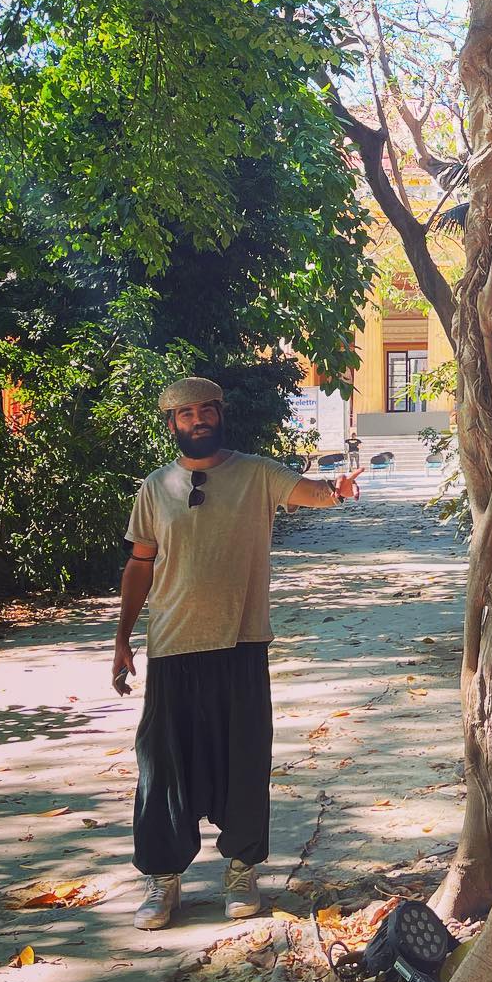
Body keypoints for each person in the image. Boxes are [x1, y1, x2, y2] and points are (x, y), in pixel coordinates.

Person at [113, 375, 363, 931]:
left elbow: (312, 491)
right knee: (162, 767)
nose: (198, 420)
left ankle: (242, 870)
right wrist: (122, 637)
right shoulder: (155, 488)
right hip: (173, 646)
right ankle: (162, 878)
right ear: (171, 424)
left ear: (220, 414)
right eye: (186, 414)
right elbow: (139, 565)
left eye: (206, 410)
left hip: (242, 643)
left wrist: (338, 488)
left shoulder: (255, 473)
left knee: (244, 761)